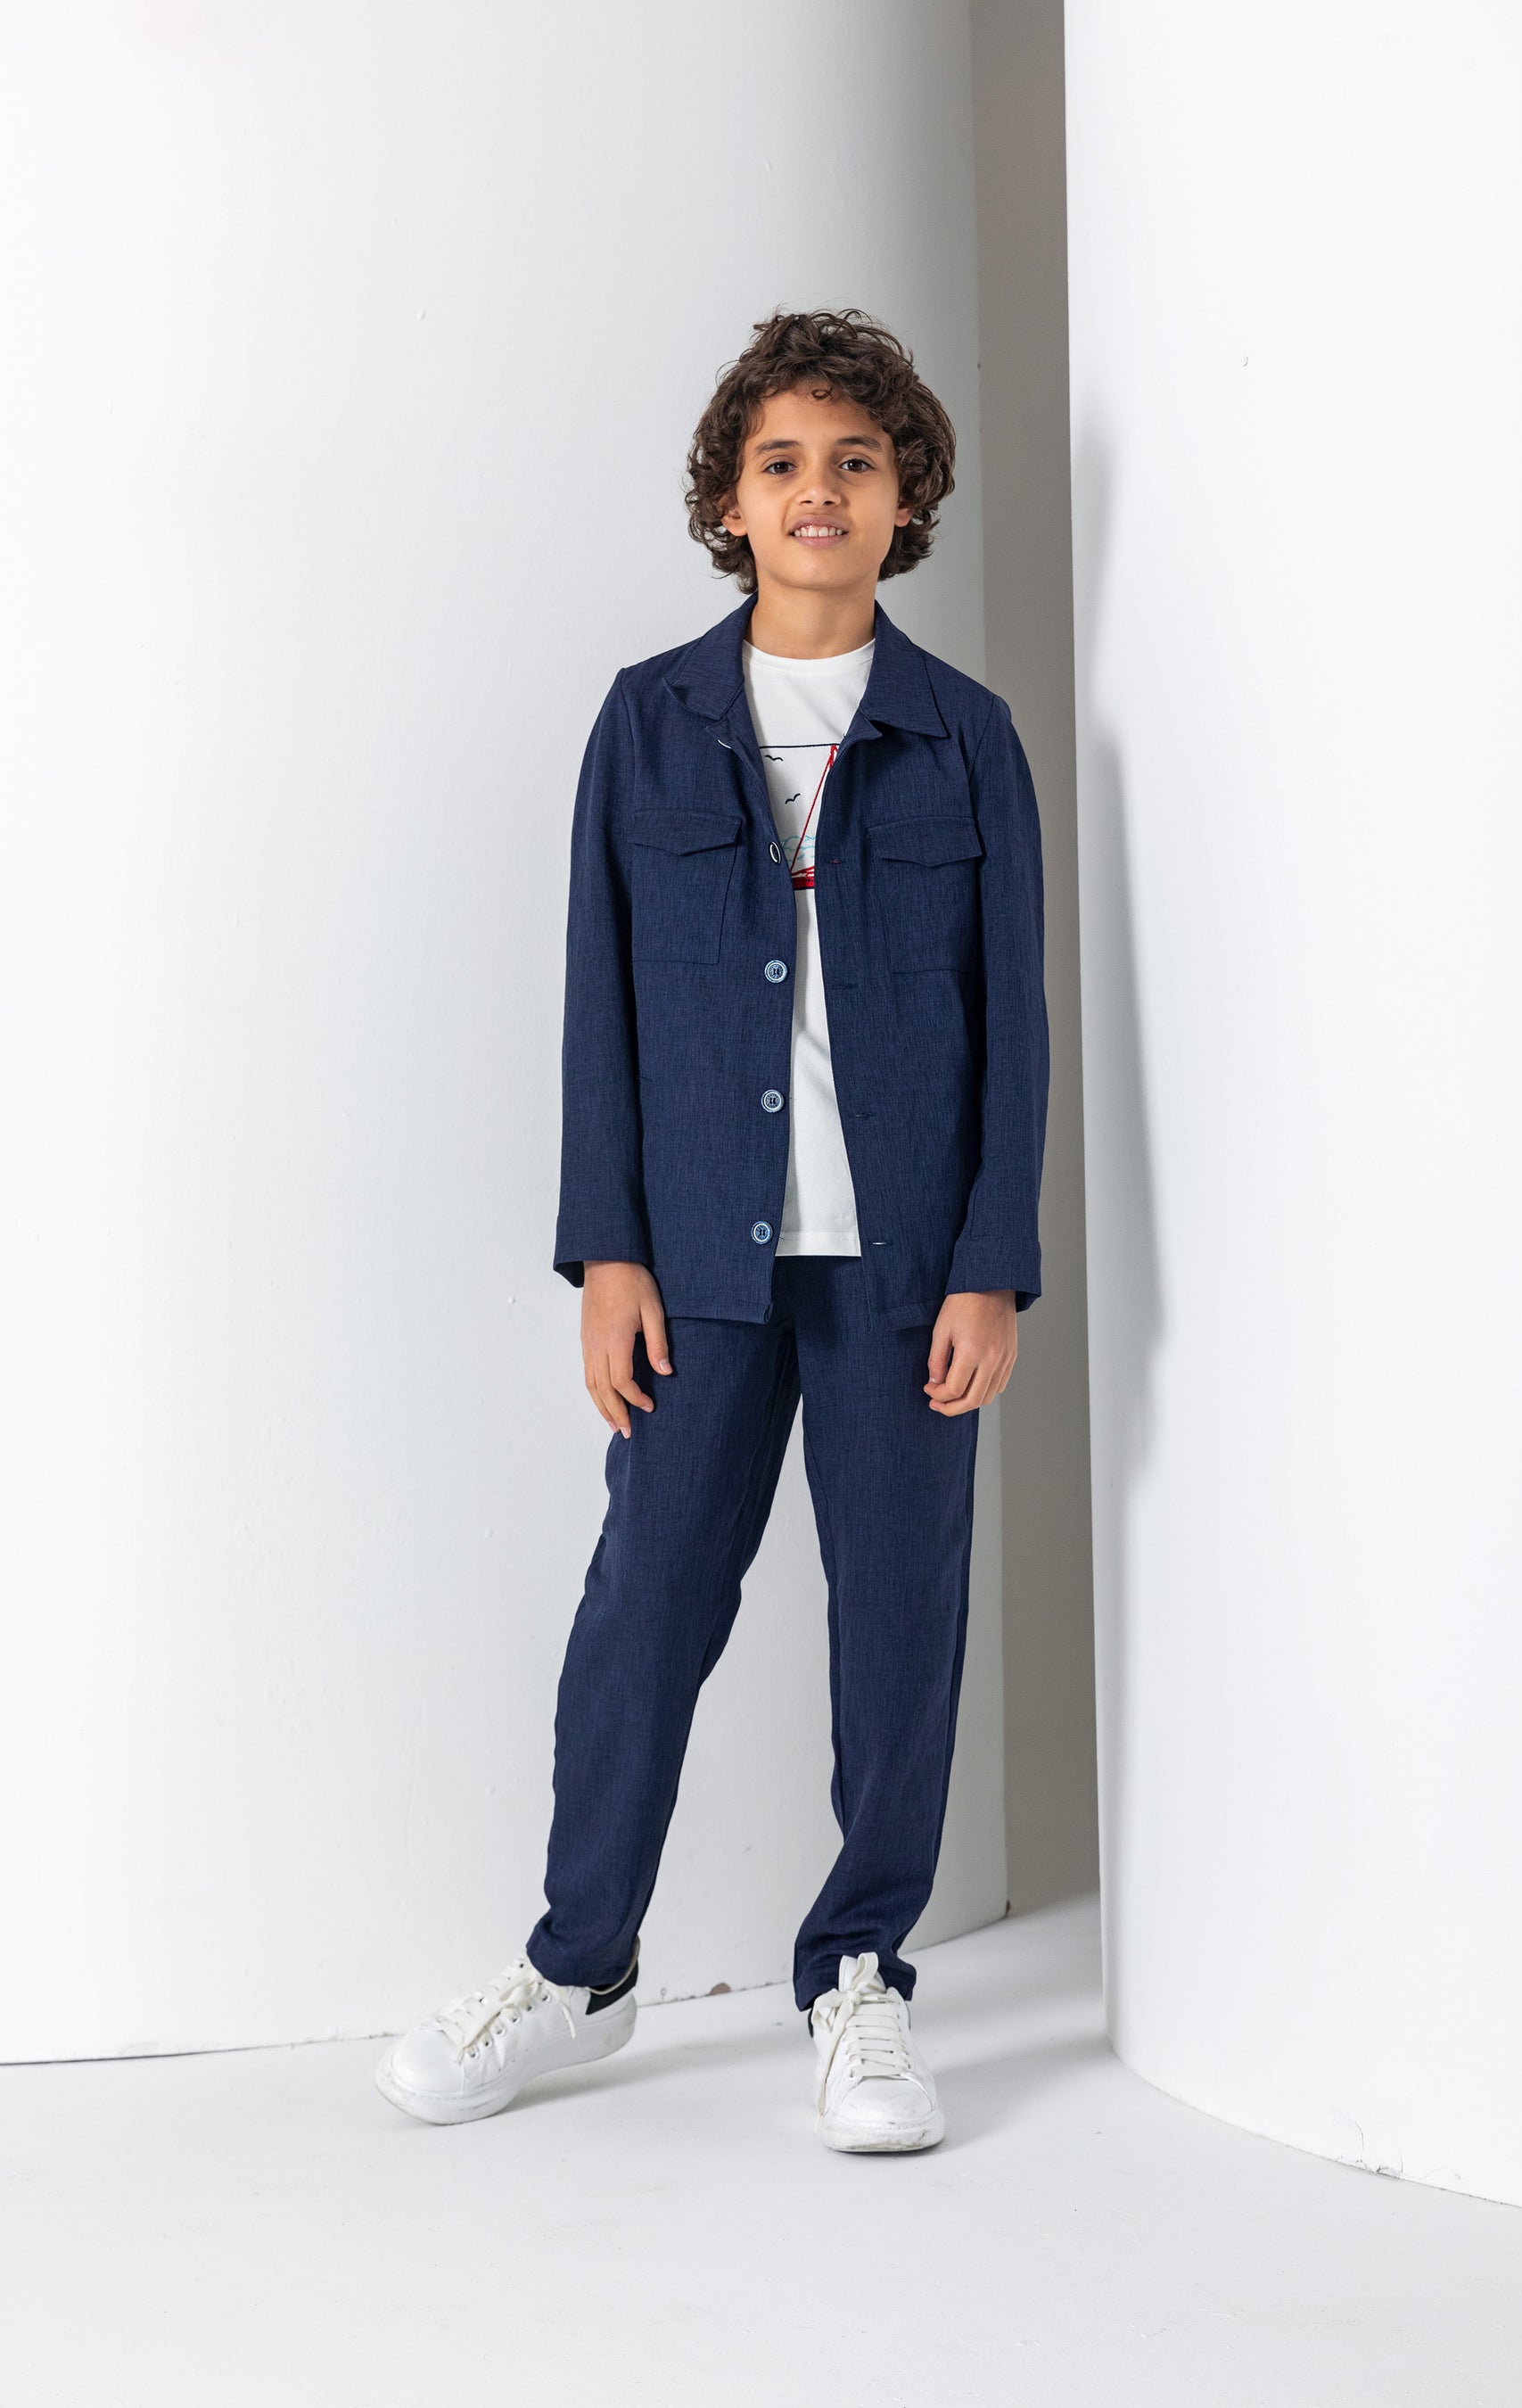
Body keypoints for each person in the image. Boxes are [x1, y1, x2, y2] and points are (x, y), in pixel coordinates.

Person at [375, 309, 1049, 2151]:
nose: (819, 490)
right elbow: (595, 1001)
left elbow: (1018, 1022)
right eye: (782, 462)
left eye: (856, 460)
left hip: (908, 1277)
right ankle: (578, 1968)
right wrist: (608, 1252)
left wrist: (992, 1261)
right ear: (731, 502)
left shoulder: (968, 739)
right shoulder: (649, 721)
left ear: (905, 498)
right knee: (645, 1606)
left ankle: (861, 1976)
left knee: (899, 1627)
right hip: (696, 1269)